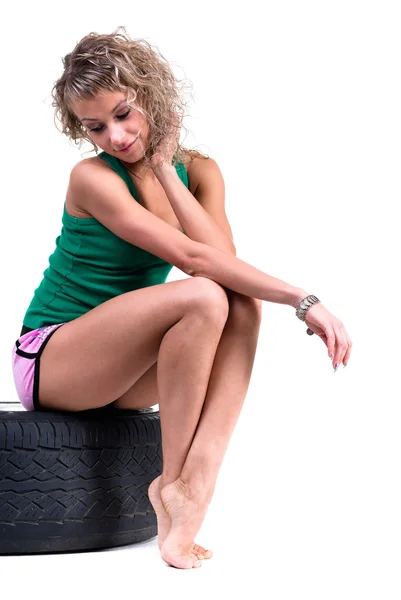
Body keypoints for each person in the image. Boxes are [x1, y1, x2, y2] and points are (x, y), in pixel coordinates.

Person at [11, 26, 353, 569]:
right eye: (96, 127)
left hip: (123, 374)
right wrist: (305, 300)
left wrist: (166, 173)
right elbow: (196, 262)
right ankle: (174, 483)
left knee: (238, 302)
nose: (116, 137)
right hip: (54, 359)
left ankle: (193, 484)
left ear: (151, 94)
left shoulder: (202, 172)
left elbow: (225, 260)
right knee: (202, 296)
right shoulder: (91, 179)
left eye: (124, 113)